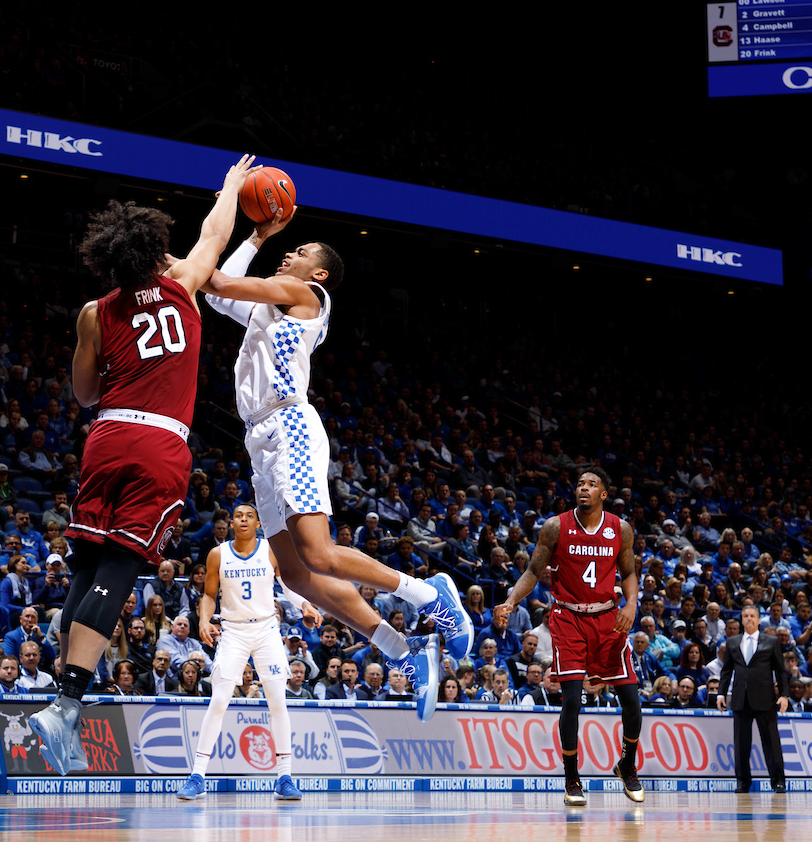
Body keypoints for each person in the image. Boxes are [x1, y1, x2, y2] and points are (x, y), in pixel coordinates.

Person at [31, 156, 260, 775]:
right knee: (124, 566)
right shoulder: (184, 282)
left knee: (88, 566)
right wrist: (230, 188)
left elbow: (83, 395)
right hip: (160, 443)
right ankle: (68, 707)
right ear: (158, 250)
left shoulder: (92, 312)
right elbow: (216, 232)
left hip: (106, 437)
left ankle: (61, 703)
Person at [200, 209, 470, 689]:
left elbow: (214, 280)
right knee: (296, 576)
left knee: (320, 554)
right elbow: (217, 296)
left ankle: (429, 594)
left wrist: (155, 257)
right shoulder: (270, 306)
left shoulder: (307, 294)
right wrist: (258, 237)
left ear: (318, 273)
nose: (291, 252)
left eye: (300, 252)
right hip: (260, 438)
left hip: (290, 426)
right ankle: (399, 652)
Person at [496, 468, 643, 807]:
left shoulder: (620, 528)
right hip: (569, 619)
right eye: (580, 484)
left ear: (603, 494)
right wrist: (512, 599)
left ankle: (627, 764)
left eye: (592, 485)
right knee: (572, 702)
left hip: (608, 619)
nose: (584, 489)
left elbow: (630, 572)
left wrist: (632, 604)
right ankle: (572, 777)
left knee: (633, 701)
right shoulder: (555, 526)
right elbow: (534, 571)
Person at [177, 503, 322, 801]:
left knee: (277, 702)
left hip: (267, 629)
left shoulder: (271, 550)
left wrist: (304, 604)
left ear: (257, 523)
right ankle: (197, 775)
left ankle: (284, 777)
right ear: (231, 522)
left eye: (249, 516)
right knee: (218, 700)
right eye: (238, 516)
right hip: (233, 631)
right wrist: (204, 619)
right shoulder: (218, 554)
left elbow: (288, 584)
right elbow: (208, 595)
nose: (243, 520)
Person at [718, 604, 788, 793]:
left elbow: (781, 671)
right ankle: (743, 782)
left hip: (765, 699)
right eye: (745, 615)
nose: (748, 618)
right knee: (741, 744)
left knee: (771, 743)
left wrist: (783, 695)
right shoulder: (732, 642)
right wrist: (720, 694)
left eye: (752, 616)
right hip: (740, 698)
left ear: (758, 619)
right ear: (742, 619)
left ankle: (778, 781)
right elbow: (726, 672)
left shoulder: (771, 641)